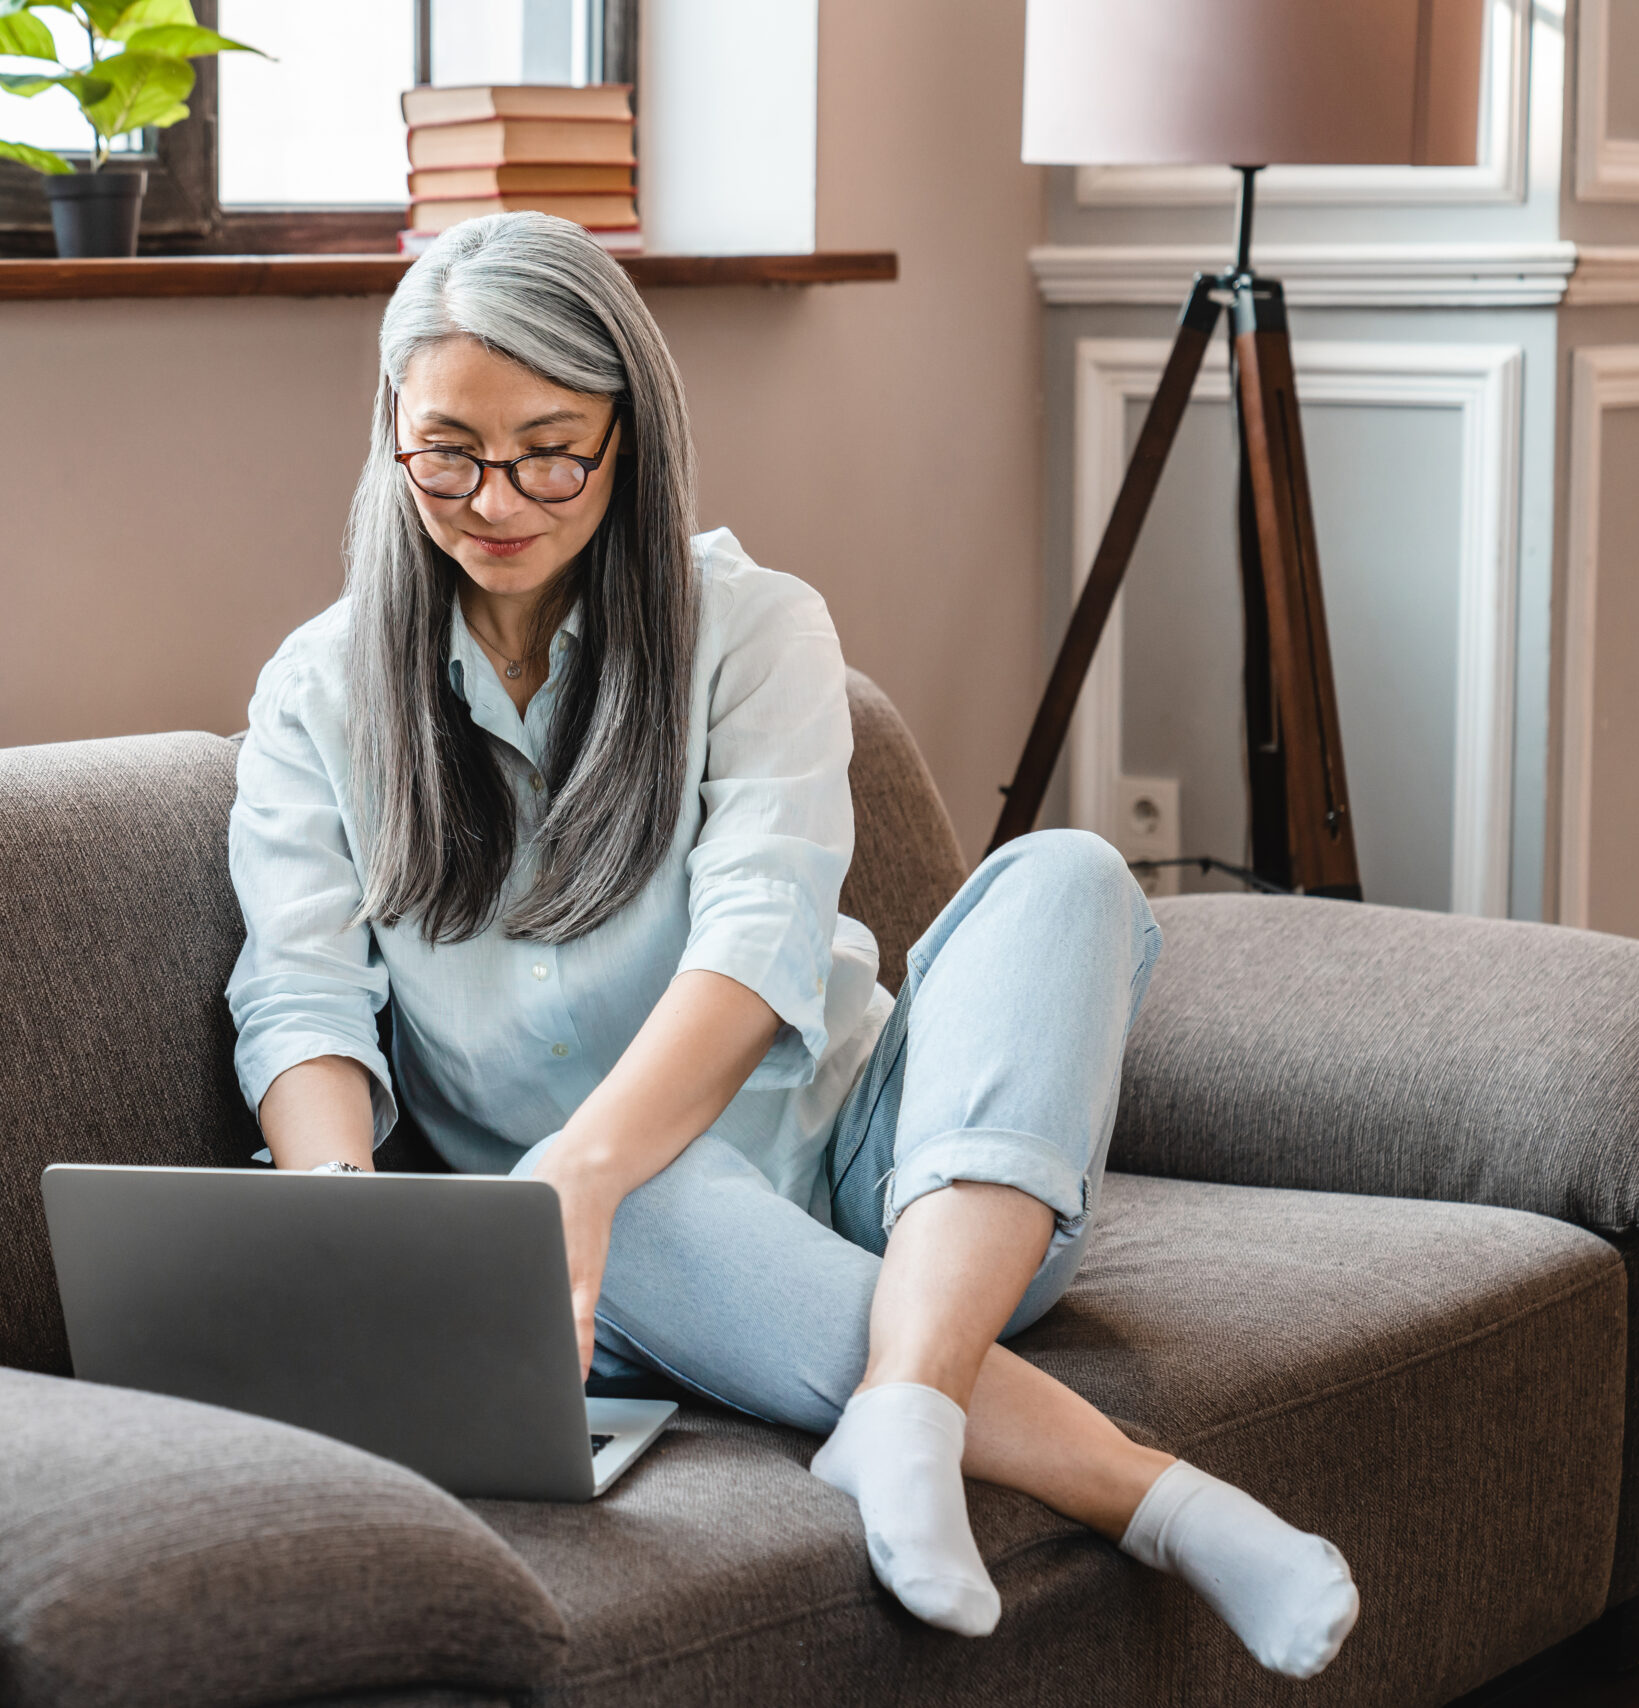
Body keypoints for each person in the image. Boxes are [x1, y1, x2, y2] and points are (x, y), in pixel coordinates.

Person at [224, 212, 1358, 1678]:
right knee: (629, 1184)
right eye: (447, 448)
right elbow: (303, 995)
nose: (495, 496)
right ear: (391, 429)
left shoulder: (753, 629)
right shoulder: (320, 691)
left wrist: (579, 1169)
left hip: (925, 1196)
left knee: (1066, 873)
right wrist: (346, 1223)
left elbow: (762, 944)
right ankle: (1144, 1494)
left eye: (551, 447)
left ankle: (902, 1394)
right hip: (632, 1270)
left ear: (633, 436)